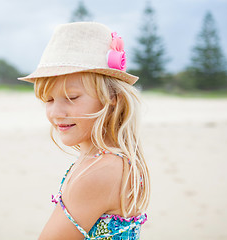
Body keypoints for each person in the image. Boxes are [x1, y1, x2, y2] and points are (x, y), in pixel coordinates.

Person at [18, 22, 150, 240]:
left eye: (72, 98)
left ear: (112, 99)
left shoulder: (100, 171)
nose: (56, 112)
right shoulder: (108, 160)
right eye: (49, 99)